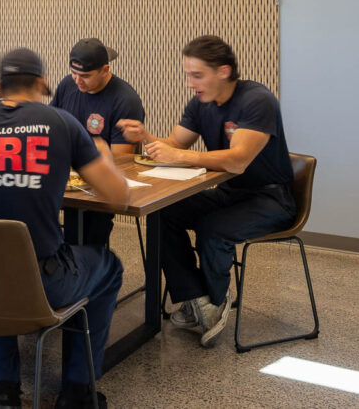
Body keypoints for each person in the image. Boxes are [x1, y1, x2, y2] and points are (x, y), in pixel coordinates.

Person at [0, 47, 127, 409]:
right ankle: (77, 392)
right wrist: (103, 152)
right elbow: (117, 198)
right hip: (43, 284)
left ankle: (4, 388)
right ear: (43, 83)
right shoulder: (61, 121)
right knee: (108, 266)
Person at [117, 35, 295, 348]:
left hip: (270, 199)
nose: (190, 83)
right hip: (230, 192)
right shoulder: (201, 102)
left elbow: (238, 161)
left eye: (197, 75)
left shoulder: (256, 100)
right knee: (163, 211)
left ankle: (215, 301)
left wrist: (181, 156)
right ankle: (195, 298)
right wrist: (146, 136)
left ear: (223, 71)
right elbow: (175, 145)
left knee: (212, 229)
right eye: (188, 75)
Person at [50, 38, 144, 246]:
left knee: (87, 230)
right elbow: (52, 127)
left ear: (105, 69)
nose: (77, 81)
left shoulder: (125, 99)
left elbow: (121, 159)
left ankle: (89, 268)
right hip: (66, 175)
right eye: (74, 73)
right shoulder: (67, 84)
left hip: (100, 181)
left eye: (85, 76)